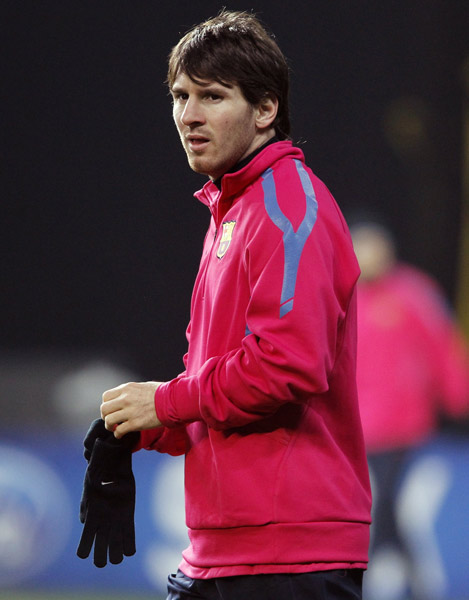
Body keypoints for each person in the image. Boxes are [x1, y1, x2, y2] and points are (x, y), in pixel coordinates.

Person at [99, 10, 372, 599]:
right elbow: (222, 386)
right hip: (223, 555)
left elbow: (288, 363)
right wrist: (142, 427)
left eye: (213, 97)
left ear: (266, 109)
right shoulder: (234, 211)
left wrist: (167, 402)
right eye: (180, 95)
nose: (188, 116)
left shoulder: (287, 208)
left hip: (289, 559)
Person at [351, 220, 469, 600]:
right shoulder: (343, 298)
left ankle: (400, 583)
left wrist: (459, 398)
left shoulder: (413, 293)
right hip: (357, 432)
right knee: (380, 514)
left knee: (389, 510)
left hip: (404, 430)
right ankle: (408, 583)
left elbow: (442, 348)